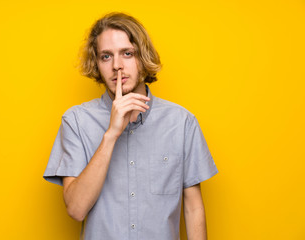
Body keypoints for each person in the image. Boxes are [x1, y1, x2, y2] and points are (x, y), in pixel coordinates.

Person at [43, 12, 218, 240]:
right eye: (106, 56)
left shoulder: (181, 123)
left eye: (127, 53)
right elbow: (76, 209)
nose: (117, 66)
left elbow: (193, 208)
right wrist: (111, 135)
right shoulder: (76, 121)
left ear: (142, 56)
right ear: (96, 63)